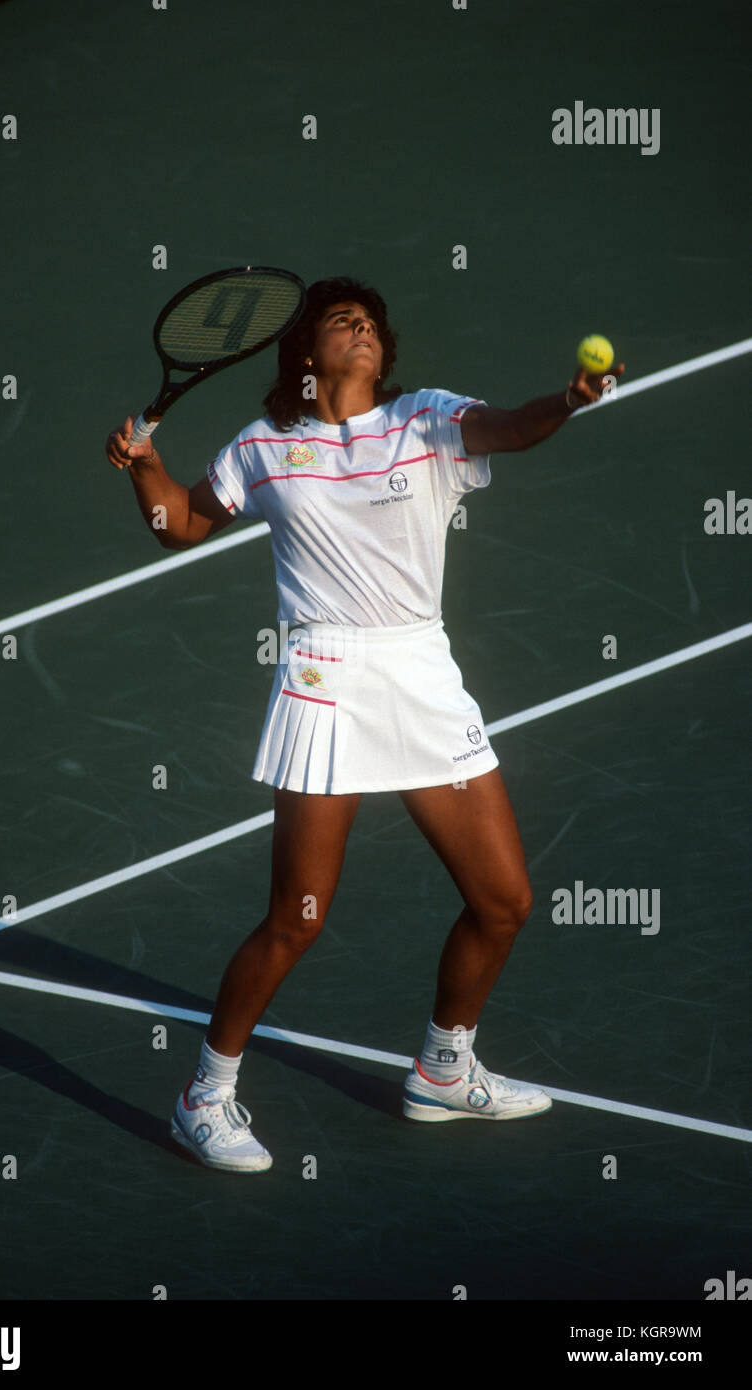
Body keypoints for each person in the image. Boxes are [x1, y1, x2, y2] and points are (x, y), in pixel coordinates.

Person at [105, 277, 623, 1174]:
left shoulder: (424, 420)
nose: (363, 334)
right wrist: (147, 468)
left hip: (422, 676)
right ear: (305, 353)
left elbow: (512, 425)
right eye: (343, 323)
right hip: (326, 679)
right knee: (296, 919)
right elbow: (181, 525)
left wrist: (566, 403)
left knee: (503, 902)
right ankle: (203, 1096)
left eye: (373, 326)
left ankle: (442, 1067)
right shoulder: (265, 448)